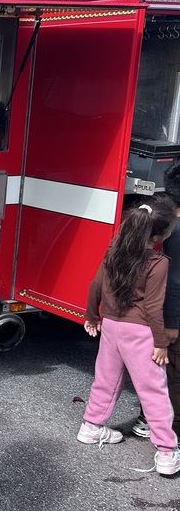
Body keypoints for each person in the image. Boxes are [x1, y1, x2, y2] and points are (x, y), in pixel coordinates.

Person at [78, 195, 180, 476]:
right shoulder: (158, 262)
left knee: (106, 380)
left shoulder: (114, 248)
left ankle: (91, 426)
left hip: (111, 325)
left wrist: (92, 316)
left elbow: (95, 283)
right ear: (159, 235)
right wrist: (161, 343)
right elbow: (152, 307)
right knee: (153, 391)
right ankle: (167, 452)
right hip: (141, 333)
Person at [132, 162, 180, 440]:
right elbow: (175, 282)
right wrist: (172, 324)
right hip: (172, 318)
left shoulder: (172, 227)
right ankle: (156, 422)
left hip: (168, 315)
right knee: (169, 371)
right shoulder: (176, 233)